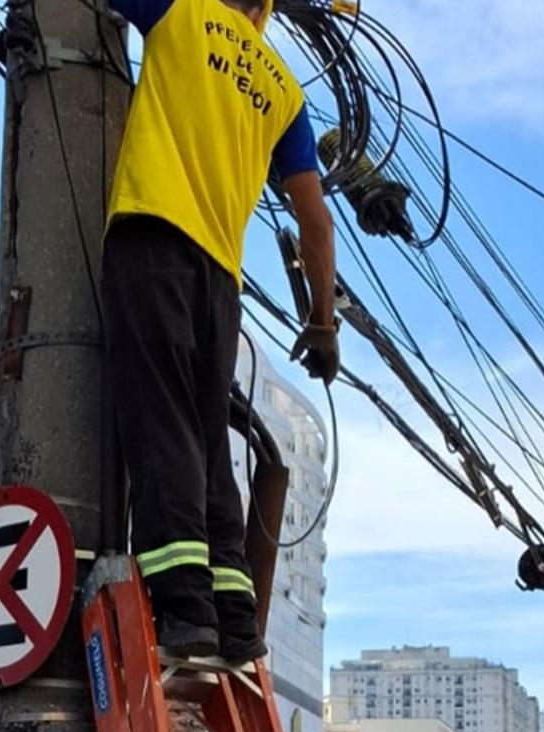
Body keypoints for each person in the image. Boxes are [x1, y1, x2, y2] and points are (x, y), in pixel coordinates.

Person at [103, 0, 338, 663]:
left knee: (162, 426)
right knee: (207, 442)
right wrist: (322, 326)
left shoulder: (179, 12)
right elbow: (316, 222)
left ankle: (184, 611)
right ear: (264, 11)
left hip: (152, 237)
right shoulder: (283, 90)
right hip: (220, 280)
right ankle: (235, 614)